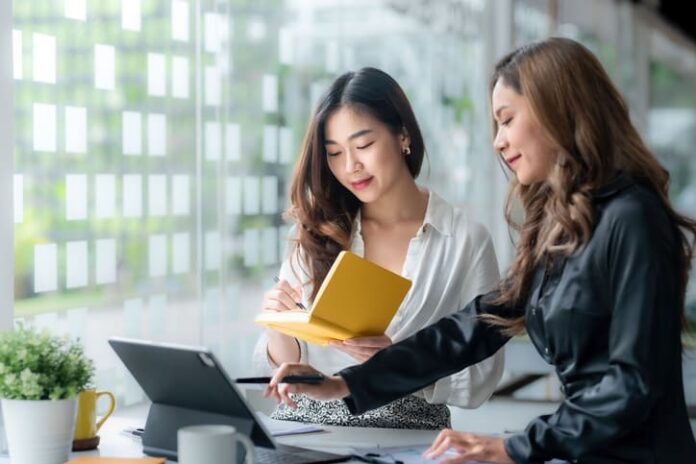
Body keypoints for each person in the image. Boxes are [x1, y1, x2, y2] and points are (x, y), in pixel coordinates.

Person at [264, 37, 696, 463]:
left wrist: (517, 446)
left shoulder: (633, 217)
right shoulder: (561, 225)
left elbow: (633, 382)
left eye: (507, 120)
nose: (498, 141)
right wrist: (348, 384)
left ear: (558, 110)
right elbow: (475, 325)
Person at [253, 67, 505, 429]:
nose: (351, 166)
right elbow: (283, 369)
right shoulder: (317, 230)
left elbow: (482, 378)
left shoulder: (464, 240)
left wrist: (401, 363)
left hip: (409, 432)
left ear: (403, 135)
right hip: (305, 426)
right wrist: (278, 324)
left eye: (364, 145)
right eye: (335, 153)